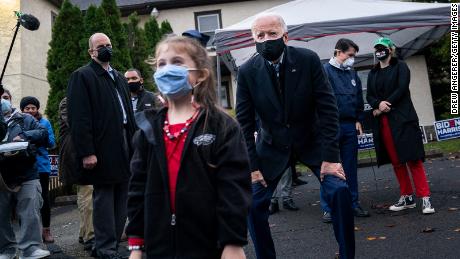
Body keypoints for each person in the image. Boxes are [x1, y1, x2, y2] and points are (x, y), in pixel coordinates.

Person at [236, 13, 355, 259]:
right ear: (253, 39)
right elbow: (244, 123)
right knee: (252, 203)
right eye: (260, 35)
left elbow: (328, 108)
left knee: (339, 192)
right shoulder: (247, 71)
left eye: (272, 34)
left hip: (312, 141)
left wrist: (332, 157)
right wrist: (252, 167)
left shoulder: (308, 60)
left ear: (285, 36)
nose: (266, 39)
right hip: (270, 146)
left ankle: (347, 254)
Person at [126, 36, 251, 259]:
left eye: (177, 62)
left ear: (200, 74)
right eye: (162, 64)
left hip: (208, 245)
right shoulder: (147, 129)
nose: (167, 69)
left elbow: (233, 188)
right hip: (159, 247)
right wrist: (136, 245)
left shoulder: (220, 125)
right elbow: (137, 189)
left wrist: (232, 242)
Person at [67, 32, 136, 259]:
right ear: (91, 52)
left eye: (108, 44)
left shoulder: (118, 77)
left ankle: (111, 244)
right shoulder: (83, 76)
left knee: (122, 196)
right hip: (102, 146)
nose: (106, 48)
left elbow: (128, 113)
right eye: (100, 46)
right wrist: (87, 152)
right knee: (105, 198)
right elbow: (79, 118)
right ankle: (105, 247)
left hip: (124, 141)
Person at [366, 37, 435, 214]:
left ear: (391, 50)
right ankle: (407, 197)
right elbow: (370, 96)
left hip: (404, 120)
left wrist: (384, 105)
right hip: (385, 124)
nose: (379, 51)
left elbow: (402, 88)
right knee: (396, 161)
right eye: (377, 48)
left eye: (382, 47)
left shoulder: (401, 66)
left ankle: (425, 198)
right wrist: (377, 105)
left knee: (413, 159)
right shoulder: (373, 73)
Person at [321, 38, 370, 223]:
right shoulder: (324, 71)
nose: (352, 59)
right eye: (350, 55)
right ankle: (328, 208)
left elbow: (358, 98)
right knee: (329, 168)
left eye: (353, 56)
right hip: (330, 127)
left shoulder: (352, 73)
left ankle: (353, 203)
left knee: (350, 167)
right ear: (338, 52)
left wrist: (359, 119)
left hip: (349, 126)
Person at [0, 99, 50, 259]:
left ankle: (30, 248)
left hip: (26, 172)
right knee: (1, 214)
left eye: (5, 98)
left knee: (30, 210)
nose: (3, 102)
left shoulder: (24, 118)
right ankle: (6, 249)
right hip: (2, 175)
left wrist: (24, 135)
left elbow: (43, 133)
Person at [58, 97, 95, 250]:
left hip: (81, 152)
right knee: (88, 193)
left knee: (86, 193)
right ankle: (90, 235)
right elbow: (76, 124)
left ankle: (84, 232)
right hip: (76, 153)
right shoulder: (68, 102)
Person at [19, 96, 57, 243]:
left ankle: (46, 230)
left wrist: (32, 137)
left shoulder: (44, 122)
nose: (30, 110)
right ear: (22, 109)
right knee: (26, 200)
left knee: (44, 199)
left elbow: (51, 142)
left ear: (37, 109)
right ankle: (27, 232)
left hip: (42, 166)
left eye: (33, 108)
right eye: (27, 108)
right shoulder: (18, 122)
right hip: (25, 166)